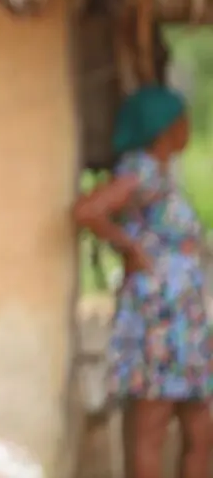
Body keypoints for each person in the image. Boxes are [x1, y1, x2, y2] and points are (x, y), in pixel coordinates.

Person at [74, 85, 211, 478]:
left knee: (200, 428)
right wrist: (129, 248)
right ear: (165, 126)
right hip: (160, 321)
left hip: (181, 321)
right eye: (182, 118)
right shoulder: (142, 169)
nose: (187, 126)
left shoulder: (158, 172)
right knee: (153, 427)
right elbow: (88, 210)